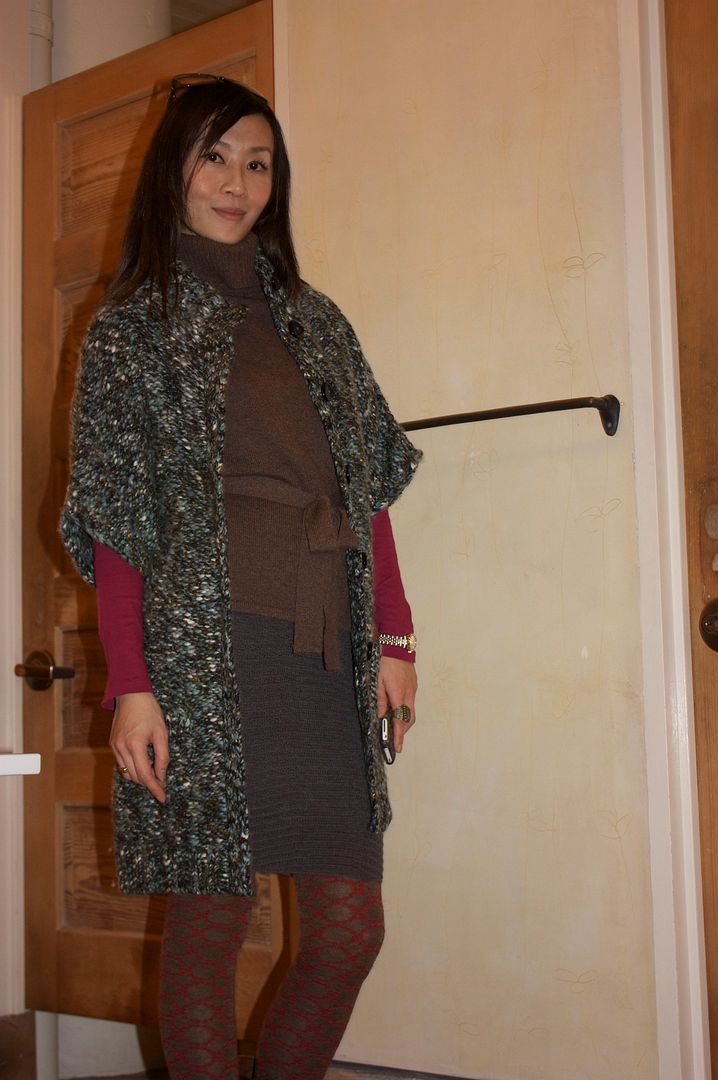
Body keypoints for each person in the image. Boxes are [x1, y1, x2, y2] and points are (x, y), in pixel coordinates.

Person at [60, 73, 421, 1080]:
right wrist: (133, 684)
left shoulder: (318, 322)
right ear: (173, 169)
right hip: (202, 652)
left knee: (349, 929)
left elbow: (367, 489)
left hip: (323, 646)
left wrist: (394, 637)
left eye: (258, 164)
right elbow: (120, 525)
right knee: (210, 924)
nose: (236, 182)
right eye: (215, 156)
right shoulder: (130, 329)